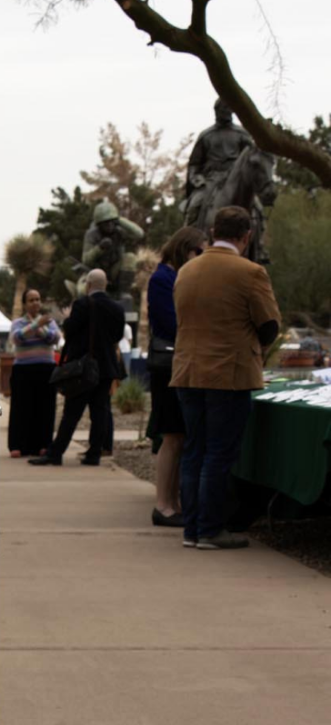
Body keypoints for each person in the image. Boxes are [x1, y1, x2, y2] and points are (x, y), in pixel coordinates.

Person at [172, 206, 280, 550]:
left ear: (213, 231)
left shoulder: (186, 271)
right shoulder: (250, 273)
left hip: (187, 372)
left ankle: (191, 529)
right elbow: (269, 326)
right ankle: (210, 529)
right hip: (228, 375)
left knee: (194, 451)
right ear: (246, 237)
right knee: (218, 454)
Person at [30, 270, 124, 467]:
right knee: (100, 411)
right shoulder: (117, 308)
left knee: (72, 412)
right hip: (106, 367)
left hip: (83, 367)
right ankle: (94, 454)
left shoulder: (82, 304)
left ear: (88, 284)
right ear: (105, 285)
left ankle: (56, 453)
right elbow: (117, 336)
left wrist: (67, 318)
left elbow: (70, 331)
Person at [147, 226, 208, 527]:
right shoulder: (162, 279)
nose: (201, 258)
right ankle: (163, 504)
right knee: (171, 436)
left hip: (174, 364)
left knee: (177, 436)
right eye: (199, 252)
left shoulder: (169, 277)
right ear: (185, 249)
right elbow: (170, 323)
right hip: (168, 365)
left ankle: (171, 502)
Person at [184, 99, 253, 230]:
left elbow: (252, 159)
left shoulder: (242, 134)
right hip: (210, 180)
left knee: (257, 208)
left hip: (236, 179)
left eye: (227, 108)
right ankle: (189, 239)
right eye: (222, 109)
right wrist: (196, 178)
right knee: (195, 204)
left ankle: (258, 245)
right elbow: (194, 163)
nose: (225, 111)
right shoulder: (206, 135)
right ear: (216, 111)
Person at [7, 289, 60, 457]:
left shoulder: (49, 321)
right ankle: (17, 445)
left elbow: (55, 338)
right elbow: (16, 338)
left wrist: (38, 329)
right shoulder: (17, 322)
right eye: (31, 300)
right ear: (24, 304)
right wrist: (37, 325)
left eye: (37, 299)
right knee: (21, 408)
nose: (35, 303)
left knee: (45, 408)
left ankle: (43, 445)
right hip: (23, 370)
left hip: (46, 369)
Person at [82, 201, 144, 300]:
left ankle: (124, 291)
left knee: (130, 257)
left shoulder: (119, 231)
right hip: (96, 271)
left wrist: (119, 220)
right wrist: (100, 248)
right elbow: (86, 260)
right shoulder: (92, 234)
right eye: (106, 223)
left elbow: (139, 234)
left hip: (115, 270)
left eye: (112, 221)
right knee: (81, 291)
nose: (109, 225)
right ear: (99, 224)